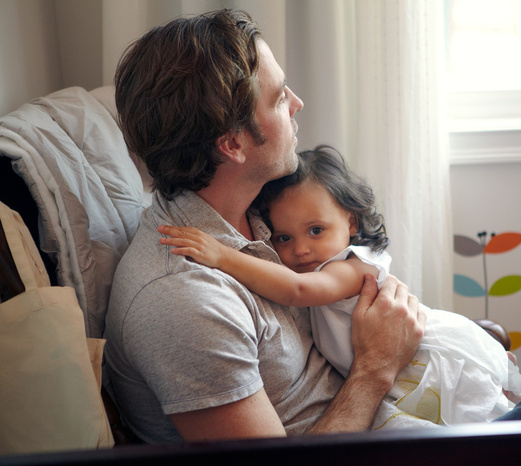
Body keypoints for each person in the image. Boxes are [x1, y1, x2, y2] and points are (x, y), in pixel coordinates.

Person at [104, 10, 425, 445]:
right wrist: (377, 368)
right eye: (277, 99)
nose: (297, 103)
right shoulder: (184, 302)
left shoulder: (265, 207)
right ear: (233, 143)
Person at [158, 145, 521, 428]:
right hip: (396, 372)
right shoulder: (313, 266)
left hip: (430, 357)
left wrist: (222, 255)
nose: (300, 249)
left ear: (351, 223)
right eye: (284, 237)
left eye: (316, 230)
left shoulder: (352, 265)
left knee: (493, 424)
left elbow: (297, 291)